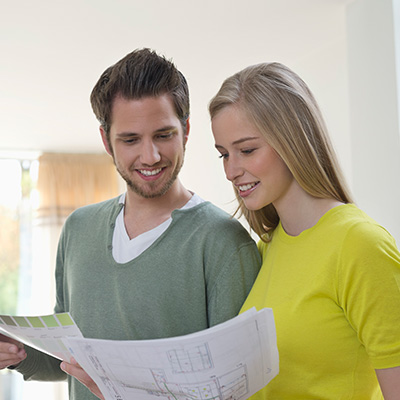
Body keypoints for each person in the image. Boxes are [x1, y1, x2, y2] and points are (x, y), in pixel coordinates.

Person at [0, 49, 261, 399]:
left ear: (185, 130)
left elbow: (236, 390)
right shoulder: (78, 230)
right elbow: (69, 361)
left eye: (163, 135)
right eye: (131, 140)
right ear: (107, 140)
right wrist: (15, 353)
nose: (150, 156)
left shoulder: (224, 244)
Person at [209, 62, 400, 399]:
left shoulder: (359, 245)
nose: (231, 170)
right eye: (224, 154)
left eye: (247, 150)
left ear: (292, 139)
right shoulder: (267, 248)